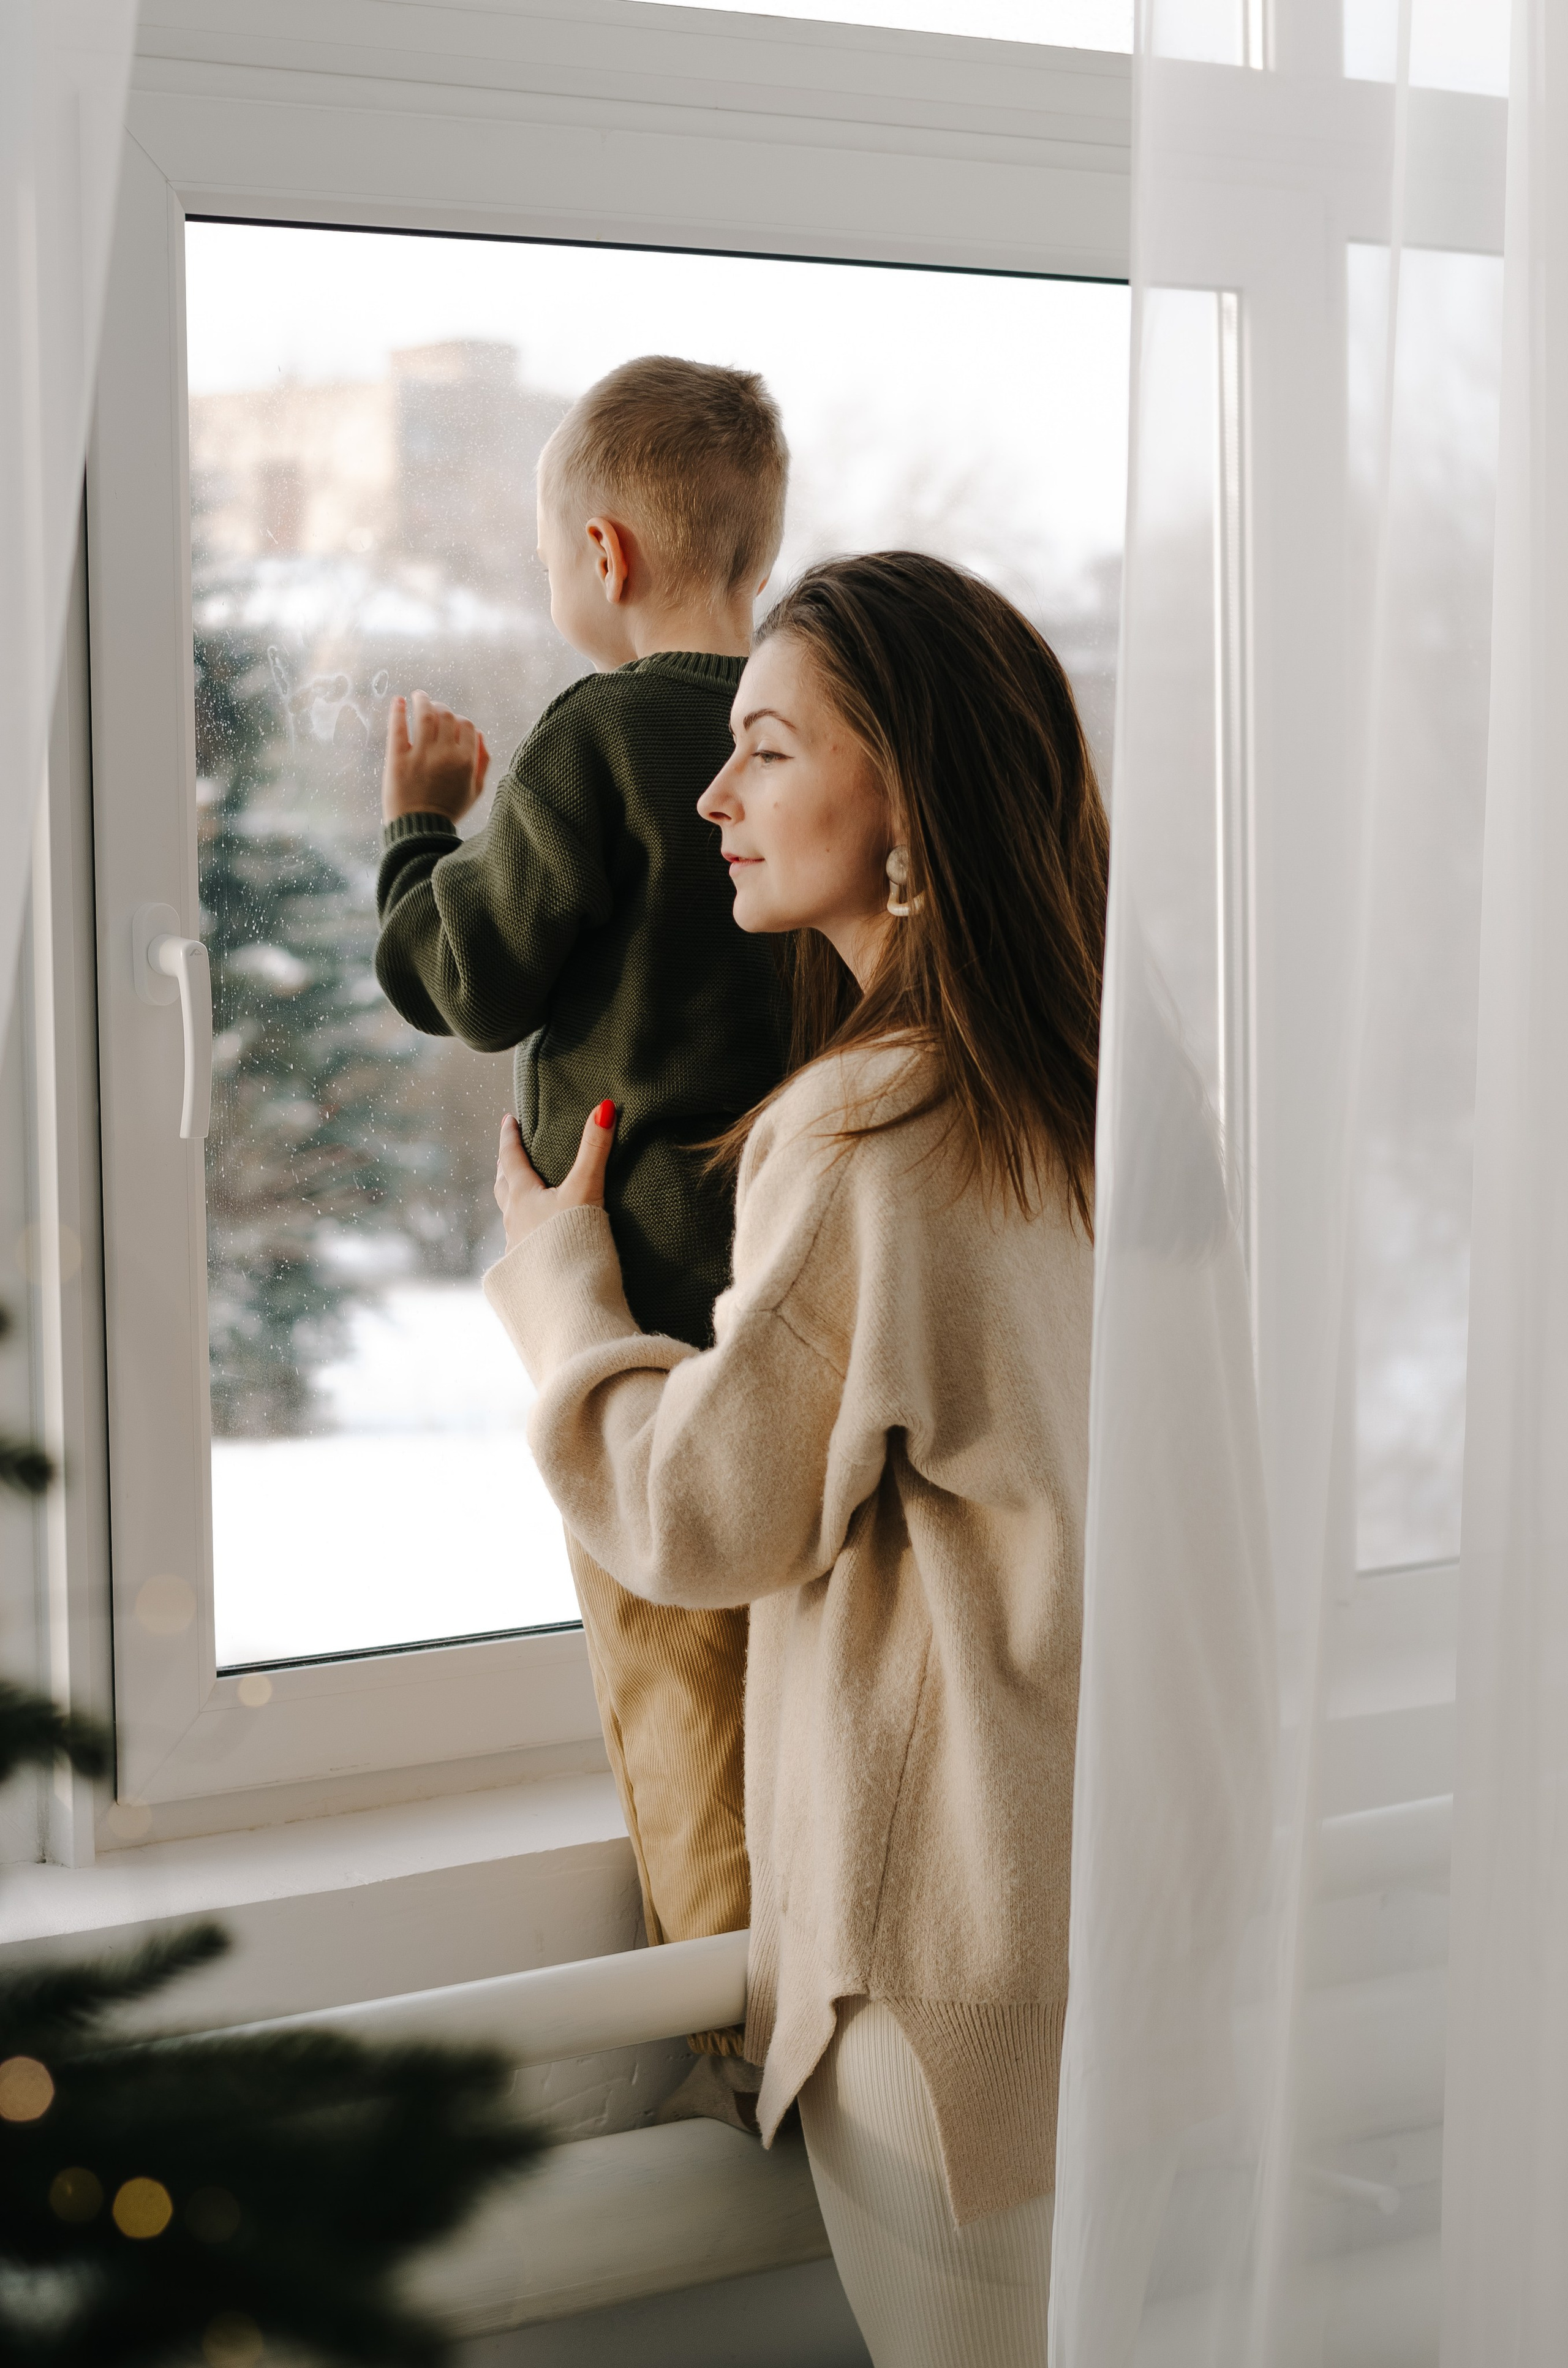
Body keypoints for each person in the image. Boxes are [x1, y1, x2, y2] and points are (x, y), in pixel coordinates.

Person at [483, 551, 1108, 2366]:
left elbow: (701, 1512)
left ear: (901, 799)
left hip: (954, 1957)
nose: (712, 797)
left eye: (765, 748)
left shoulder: (866, 1132)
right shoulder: (1108, 1102)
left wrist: (565, 1300)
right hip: (1129, 1892)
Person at [373, 358, 791, 2056]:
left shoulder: (602, 733)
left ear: (603, 553)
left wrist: (418, 834)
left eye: (553, 554)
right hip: (792, 1265)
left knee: (676, 1674)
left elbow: (471, 978)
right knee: (801, 1672)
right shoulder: (810, 731)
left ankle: (736, 2041)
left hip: (632, 1292)